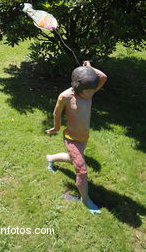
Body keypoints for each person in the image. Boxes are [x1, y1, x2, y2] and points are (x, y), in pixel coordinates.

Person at [46, 61, 107, 214]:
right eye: (87, 91)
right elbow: (56, 113)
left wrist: (89, 68)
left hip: (84, 137)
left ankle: (51, 158)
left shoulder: (90, 91)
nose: (91, 94)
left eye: (92, 90)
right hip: (71, 138)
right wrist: (56, 127)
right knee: (81, 170)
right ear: (77, 86)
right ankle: (85, 199)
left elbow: (103, 77)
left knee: (72, 159)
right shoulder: (65, 97)